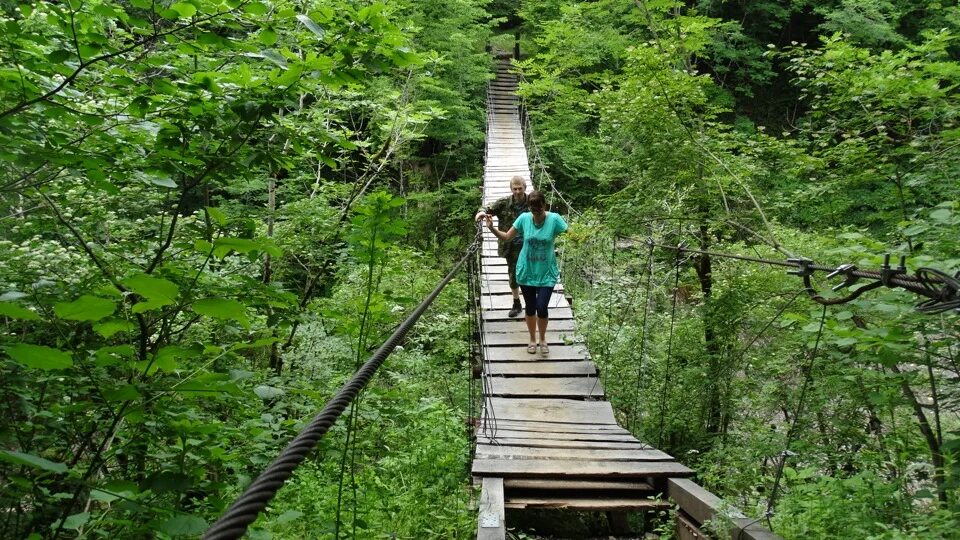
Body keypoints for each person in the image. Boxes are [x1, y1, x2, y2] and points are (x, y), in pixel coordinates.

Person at [485, 190, 568, 354]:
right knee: (530, 307)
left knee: (542, 307)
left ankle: (542, 338)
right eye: (533, 208)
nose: (536, 212)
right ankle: (532, 339)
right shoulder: (523, 219)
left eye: (539, 208)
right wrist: (491, 228)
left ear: (544, 205)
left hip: (546, 272)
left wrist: (586, 236)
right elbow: (507, 237)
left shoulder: (554, 219)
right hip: (526, 271)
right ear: (529, 207)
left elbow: (571, 234)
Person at [474, 176, 529, 318]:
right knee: (514, 273)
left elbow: (544, 212)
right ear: (511, 189)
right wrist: (481, 212)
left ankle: (531, 302)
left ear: (525, 188)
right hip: (511, 245)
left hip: (531, 245)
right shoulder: (504, 203)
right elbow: (488, 208)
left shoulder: (532, 202)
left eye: (520, 188)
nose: (517, 191)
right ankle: (516, 303)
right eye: (514, 189)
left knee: (531, 273)